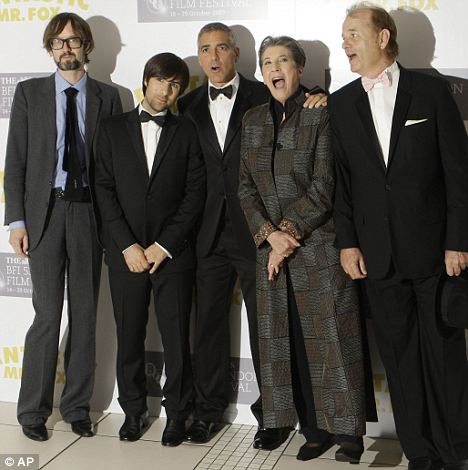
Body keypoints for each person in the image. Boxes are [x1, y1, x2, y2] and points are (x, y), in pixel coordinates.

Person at [329, 3, 468, 470]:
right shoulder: (341, 103)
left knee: (444, 358)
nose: (345, 43)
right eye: (343, 35)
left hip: (435, 255)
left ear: (383, 37)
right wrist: (347, 242)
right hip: (378, 258)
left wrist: (458, 241)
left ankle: (455, 451)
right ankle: (420, 454)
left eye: (353, 33)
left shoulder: (431, 92)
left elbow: (458, 174)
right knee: (401, 364)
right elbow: (342, 183)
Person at [178, 22, 326, 449]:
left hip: (259, 232)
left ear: (236, 52)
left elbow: (299, 98)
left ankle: (273, 417)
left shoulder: (264, 92)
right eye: (205, 49)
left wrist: (321, 93)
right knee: (207, 326)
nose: (213, 57)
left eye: (221, 47)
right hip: (206, 232)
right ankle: (207, 412)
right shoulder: (186, 105)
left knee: (268, 328)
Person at [238, 35, 369, 463]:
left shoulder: (321, 113)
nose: (275, 69)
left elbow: (325, 183)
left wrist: (288, 233)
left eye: (283, 61)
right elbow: (244, 187)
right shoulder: (253, 119)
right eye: (267, 62)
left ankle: (348, 432)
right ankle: (313, 429)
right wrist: (270, 236)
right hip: (271, 253)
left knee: (333, 339)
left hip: (318, 249)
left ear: (299, 68)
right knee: (287, 342)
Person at [4, 12, 122, 442]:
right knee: (46, 314)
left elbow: (115, 167)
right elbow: (15, 160)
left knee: (86, 314)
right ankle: (32, 411)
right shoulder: (29, 93)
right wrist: (17, 220)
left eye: (73, 41)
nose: (66, 48)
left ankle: (76, 407)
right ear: (50, 49)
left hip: (89, 213)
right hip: (45, 214)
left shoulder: (110, 97)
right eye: (58, 42)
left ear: (86, 46)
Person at [94, 53, 205, 447]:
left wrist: (163, 245)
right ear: (146, 81)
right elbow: (103, 190)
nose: (166, 91)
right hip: (125, 254)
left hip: (172, 254)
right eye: (161, 81)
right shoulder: (111, 128)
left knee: (177, 338)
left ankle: (178, 414)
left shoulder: (187, 130)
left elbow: (195, 194)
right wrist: (127, 245)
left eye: (175, 85)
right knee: (129, 335)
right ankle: (133, 410)